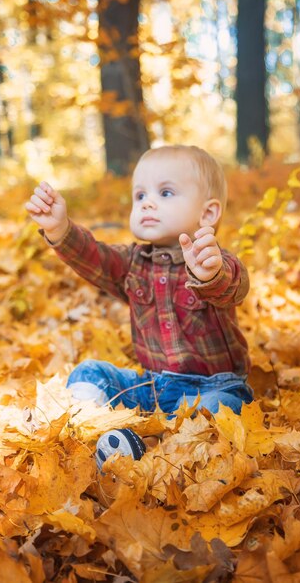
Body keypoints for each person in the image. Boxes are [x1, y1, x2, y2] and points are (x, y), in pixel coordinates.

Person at [26, 145, 253, 468]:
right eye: (139, 195)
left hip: (211, 387)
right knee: (89, 373)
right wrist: (60, 229)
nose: (147, 202)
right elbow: (96, 259)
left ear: (208, 214)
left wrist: (210, 274)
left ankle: (167, 452)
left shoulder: (212, 259)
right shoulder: (133, 262)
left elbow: (233, 285)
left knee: (223, 408)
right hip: (151, 387)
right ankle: (99, 435)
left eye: (165, 192)